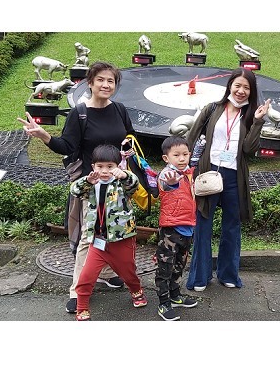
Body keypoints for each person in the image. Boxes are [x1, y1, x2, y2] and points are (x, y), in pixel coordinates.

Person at [18, 61, 135, 314]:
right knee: (88, 237)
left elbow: (129, 137)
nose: (106, 85)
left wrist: (127, 156)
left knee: (113, 231)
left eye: (111, 81)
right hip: (91, 185)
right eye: (100, 80)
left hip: (116, 186)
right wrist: (43, 135)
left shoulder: (120, 110)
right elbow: (67, 146)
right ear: (90, 83)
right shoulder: (80, 113)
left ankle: (105, 272)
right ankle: (78, 289)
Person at [185, 68, 270, 291]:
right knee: (203, 224)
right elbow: (191, 138)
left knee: (232, 226)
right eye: (237, 85)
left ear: (251, 91)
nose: (241, 91)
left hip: (234, 175)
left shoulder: (250, 115)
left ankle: (228, 274)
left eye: (246, 88)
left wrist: (258, 122)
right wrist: (184, 166)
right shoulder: (212, 109)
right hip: (208, 172)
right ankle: (200, 277)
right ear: (230, 85)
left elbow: (249, 150)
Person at [70, 144, 147, 321]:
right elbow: (74, 190)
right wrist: (87, 180)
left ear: (118, 166)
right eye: (100, 166)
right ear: (93, 167)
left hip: (122, 239)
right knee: (86, 276)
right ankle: (82, 308)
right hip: (98, 240)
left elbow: (134, 185)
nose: (105, 171)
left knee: (128, 272)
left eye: (110, 166)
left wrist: (125, 174)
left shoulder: (121, 183)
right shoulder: (91, 184)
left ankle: (136, 290)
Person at [154, 136, 199, 321]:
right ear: (166, 158)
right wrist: (172, 183)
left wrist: (201, 145)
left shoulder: (188, 172)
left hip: (187, 227)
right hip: (171, 229)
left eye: (185, 154)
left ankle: (175, 296)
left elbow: (195, 159)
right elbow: (166, 185)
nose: (182, 158)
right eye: (176, 155)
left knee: (179, 266)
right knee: (165, 268)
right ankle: (163, 303)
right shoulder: (167, 174)